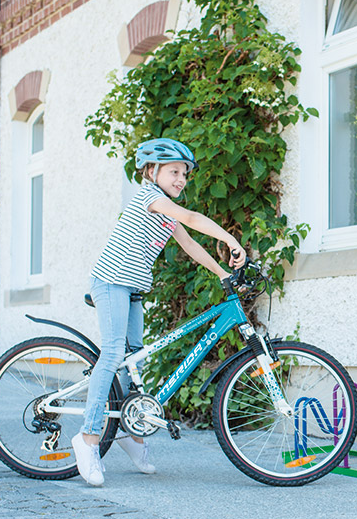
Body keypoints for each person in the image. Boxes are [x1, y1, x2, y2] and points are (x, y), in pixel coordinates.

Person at [71, 138, 245, 487]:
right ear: (152, 171)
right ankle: (88, 439)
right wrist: (230, 239)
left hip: (132, 289)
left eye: (184, 174)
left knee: (134, 358)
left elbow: (190, 244)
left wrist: (223, 273)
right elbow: (193, 218)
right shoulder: (149, 197)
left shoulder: (165, 213)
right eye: (174, 172)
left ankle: (130, 437)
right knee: (113, 353)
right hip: (110, 283)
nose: (181, 179)